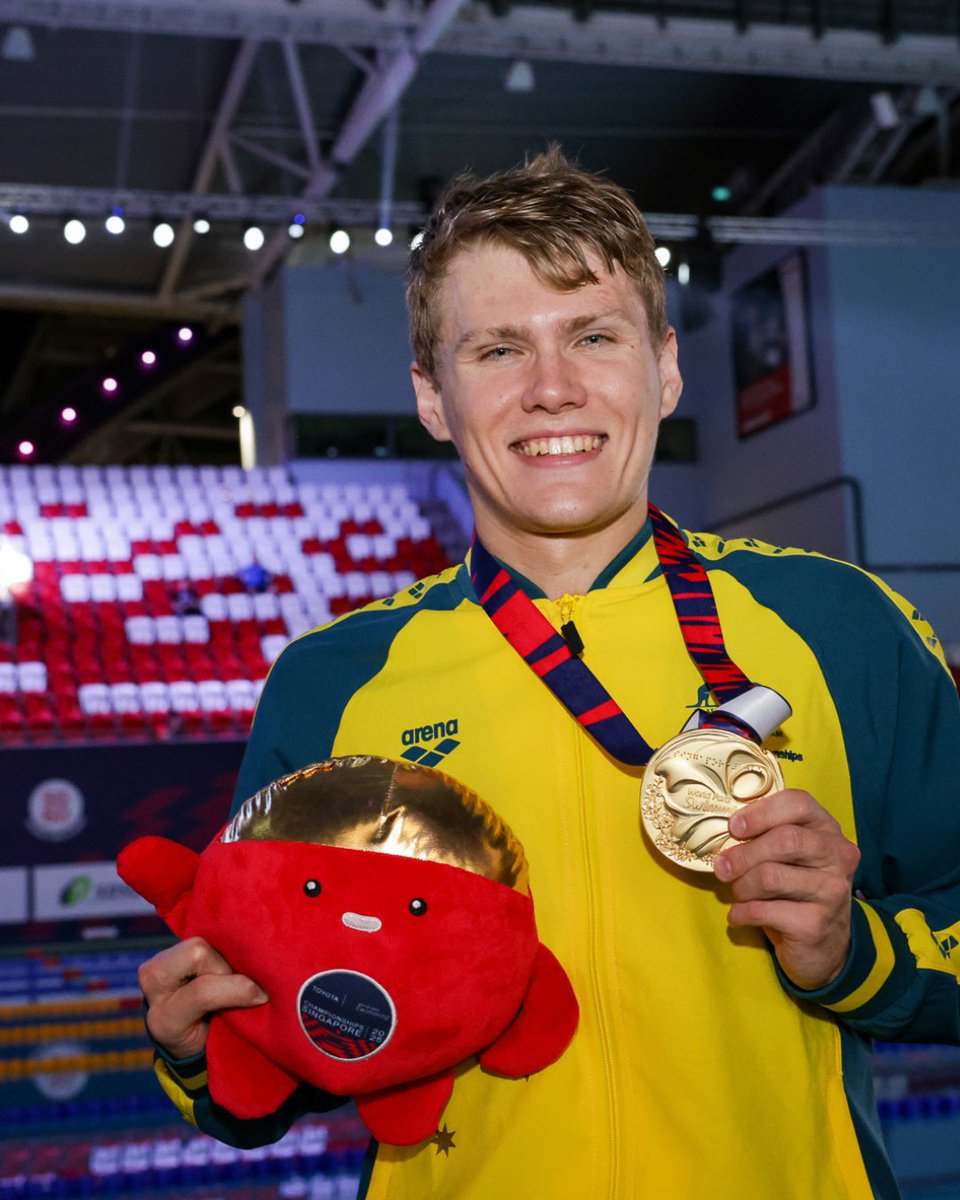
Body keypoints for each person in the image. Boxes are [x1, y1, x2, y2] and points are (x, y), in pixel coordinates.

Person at [138, 148, 960, 1200]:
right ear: (433, 397)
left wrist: (859, 951)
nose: (553, 388)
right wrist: (195, 1044)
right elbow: (270, 1058)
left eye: (594, 335)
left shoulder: (840, 626)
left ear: (664, 366)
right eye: (496, 350)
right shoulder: (335, 679)